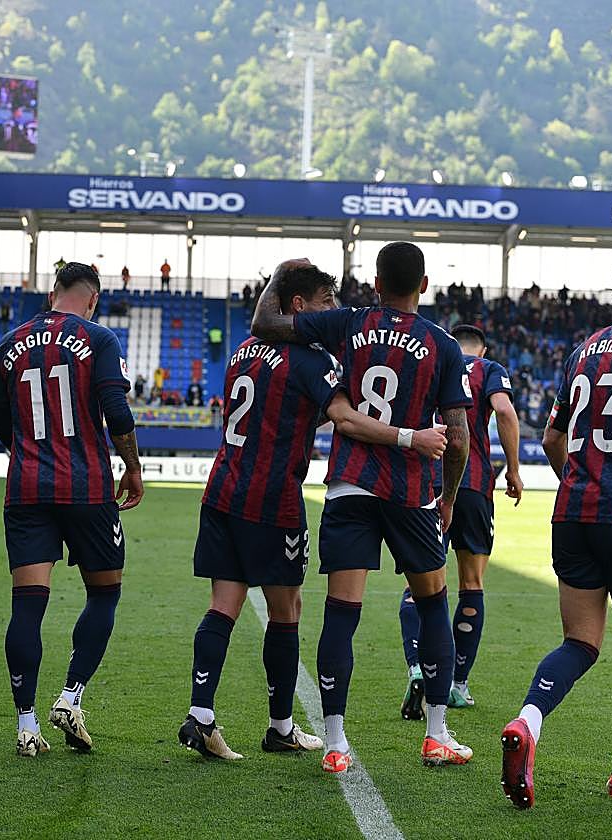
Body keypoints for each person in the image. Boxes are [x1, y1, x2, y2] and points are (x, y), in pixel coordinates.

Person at [180, 261, 448, 760]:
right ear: (299, 306)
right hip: (271, 498)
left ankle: (201, 713)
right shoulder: (309, 362)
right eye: (326, 300)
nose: (333, 310)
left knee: (223, 606)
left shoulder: (243, 352)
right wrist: (410, 436)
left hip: (221, 491)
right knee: (288, 610)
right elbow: (346, 419)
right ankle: (281, 725)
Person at [251, 244, 473, 773]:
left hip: (350, 486)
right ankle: (437, 734)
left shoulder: (347, 322)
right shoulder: (443, 345)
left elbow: (265, 322)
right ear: (424, 284)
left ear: (375, 282)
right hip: (412, 494)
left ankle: (334, 743)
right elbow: (459, 437)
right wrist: (448, 497)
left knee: (340, 614)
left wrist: (284, 272)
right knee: (433, 605)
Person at [0, 261, 144, 758]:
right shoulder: (99, 339)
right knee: (105, 593)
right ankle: (71, 696)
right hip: (87, 487)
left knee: (27, 604)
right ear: (94, 299)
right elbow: (116, 412)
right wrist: (133, 466)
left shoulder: (6, 345)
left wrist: (33, 454)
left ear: (53, 291)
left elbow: (1, 425)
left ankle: (26, 724)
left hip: (27, 488)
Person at [501, 280, 612, 808]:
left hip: (573, 513)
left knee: (580, 643)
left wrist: (581, 487)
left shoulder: (582, 351)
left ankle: (528, 721)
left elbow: (552, 438)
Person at [398, 324, 522, 718]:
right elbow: (503, 409)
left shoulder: (432, 361)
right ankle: (456, 684)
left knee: (418, 583)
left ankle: (417, 666)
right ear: (482, 347)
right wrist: (514, 470)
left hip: (427, 481)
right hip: (471, 486)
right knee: (472, 583)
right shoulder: (488, 369)